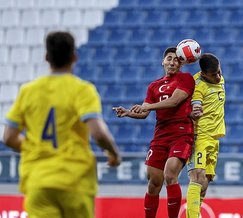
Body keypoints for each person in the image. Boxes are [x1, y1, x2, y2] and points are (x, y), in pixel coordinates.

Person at [2, 31, 121, 218]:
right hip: (75, 180)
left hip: (38, 181)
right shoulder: (83, 90)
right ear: (74, 56)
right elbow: (98, 133)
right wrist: (113, 153)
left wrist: (35, 147)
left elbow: (8, 137)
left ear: (46, 57)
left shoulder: (28, 91)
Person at [113, 47, 195, 218]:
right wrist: (128, 112)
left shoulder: (185, 79)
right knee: (154, 183)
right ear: (163, 61)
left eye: (176, 60)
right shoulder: (154, 86)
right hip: (160, 136)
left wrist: (148, 106)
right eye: (169, 59)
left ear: (181, 63)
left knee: (170, 174)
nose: (172, 62)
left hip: (181, 132)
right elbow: (143, 113)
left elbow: (174, 101)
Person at [186, 53, 226, 218]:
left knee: (206, 180)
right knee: (197, 176)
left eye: (219, 72)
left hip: (214, 138)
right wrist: (195, 111)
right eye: (213, 75)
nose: (218, 77)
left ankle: (196, 213)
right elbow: (195, 104)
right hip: (200, 136)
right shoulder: (197, 86)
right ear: (203, 74)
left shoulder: (219, 76)